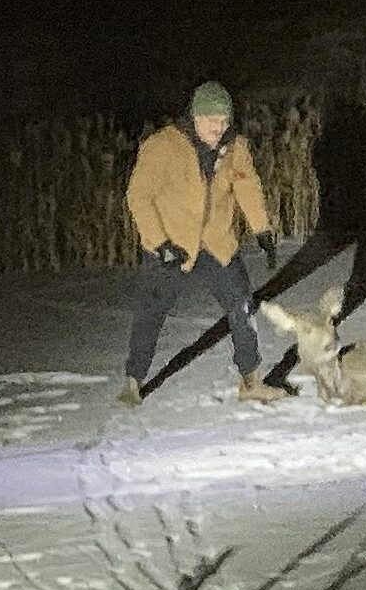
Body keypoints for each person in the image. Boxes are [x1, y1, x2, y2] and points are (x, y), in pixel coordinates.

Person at [119, 81, 284, 406]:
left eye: (224, 122)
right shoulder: (163, 145)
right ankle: (133, 381)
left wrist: (262, 228)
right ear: (194, 117)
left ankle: (251, 381)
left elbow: (247, 186)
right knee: (151, 313)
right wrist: (158, 241)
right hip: (170, 244)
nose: (219, 129)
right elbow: (138, 195)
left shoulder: (235, 147)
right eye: (212, 121)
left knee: (242, 306)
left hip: (216, 242)